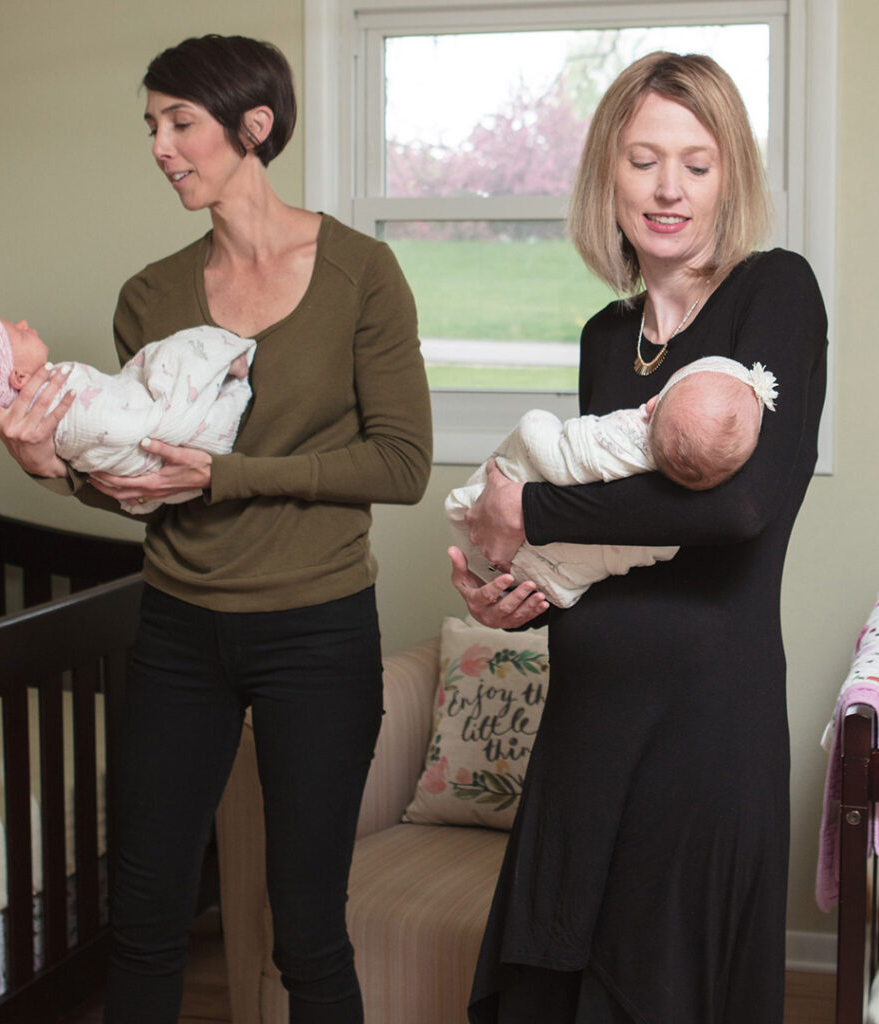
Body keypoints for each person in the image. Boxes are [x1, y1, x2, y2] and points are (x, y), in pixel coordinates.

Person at [0, 33, 431, 1024]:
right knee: (145, 916)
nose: (160, 146)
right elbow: (143, 479)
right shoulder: (151, 295)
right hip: (179, 630)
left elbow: (400, 464)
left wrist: (233, 472)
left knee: (305, 925)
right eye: (151, 127)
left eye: (179, 122)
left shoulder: (362, 273)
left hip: (318, 631)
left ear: (252, 126)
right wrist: (51, 468)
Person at [451, 52, 827, 1024]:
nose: (668, 189)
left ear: (728, 178)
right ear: (605, 176)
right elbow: (617, 535)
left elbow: (734, 510)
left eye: (696, 165)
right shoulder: (602, 338)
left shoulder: (773, 293)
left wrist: (526, 513)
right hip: (584, 727)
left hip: (703, 734)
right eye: (644, 159)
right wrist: (525, 587)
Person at [446, 354, 777, 607]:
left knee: (535, 426)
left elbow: (561, 462)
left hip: (504, 536)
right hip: (557, 588)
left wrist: (534, 426)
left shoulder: (621, 438)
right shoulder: (671, 532)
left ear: (652, 405)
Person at [0, 295, 256, 512]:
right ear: (18, 377)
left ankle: (214, 374)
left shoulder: (55, 397)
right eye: (17, 335)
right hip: (155, 431)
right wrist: (160, 418)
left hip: (147, 421)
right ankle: (219, 365)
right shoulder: (62, 408)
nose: (23, 324)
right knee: (173, 353)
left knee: (163, 356)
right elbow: (117, 430)